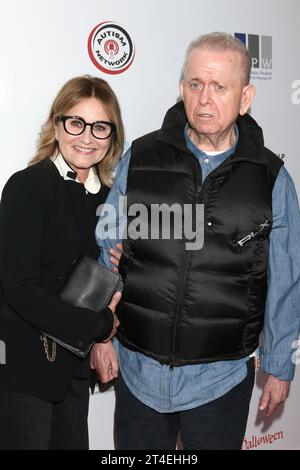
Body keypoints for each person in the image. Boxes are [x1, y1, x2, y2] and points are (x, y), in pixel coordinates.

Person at [95, 33, 300, 450]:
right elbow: (107, 252)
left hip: (220, 380)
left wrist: (279, 365)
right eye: (195, 84)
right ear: (182, 88)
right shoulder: (142, 156)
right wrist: (101, 335)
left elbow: (286, 283)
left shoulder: (272, 179)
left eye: (219, 86)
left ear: (246, 97)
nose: (204, 99)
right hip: (139, 370)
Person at [0, 75, 124, 450]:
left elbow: (98, 279)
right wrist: (99, 326)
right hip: (25, 372)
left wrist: (121, 269)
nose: (87, 137)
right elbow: (19, 290)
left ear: (112, 136)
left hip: (72, 369)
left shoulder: (107, 200)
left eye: (100, 126)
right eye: (76, 123)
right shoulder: (28, 187)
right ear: (57, 125)